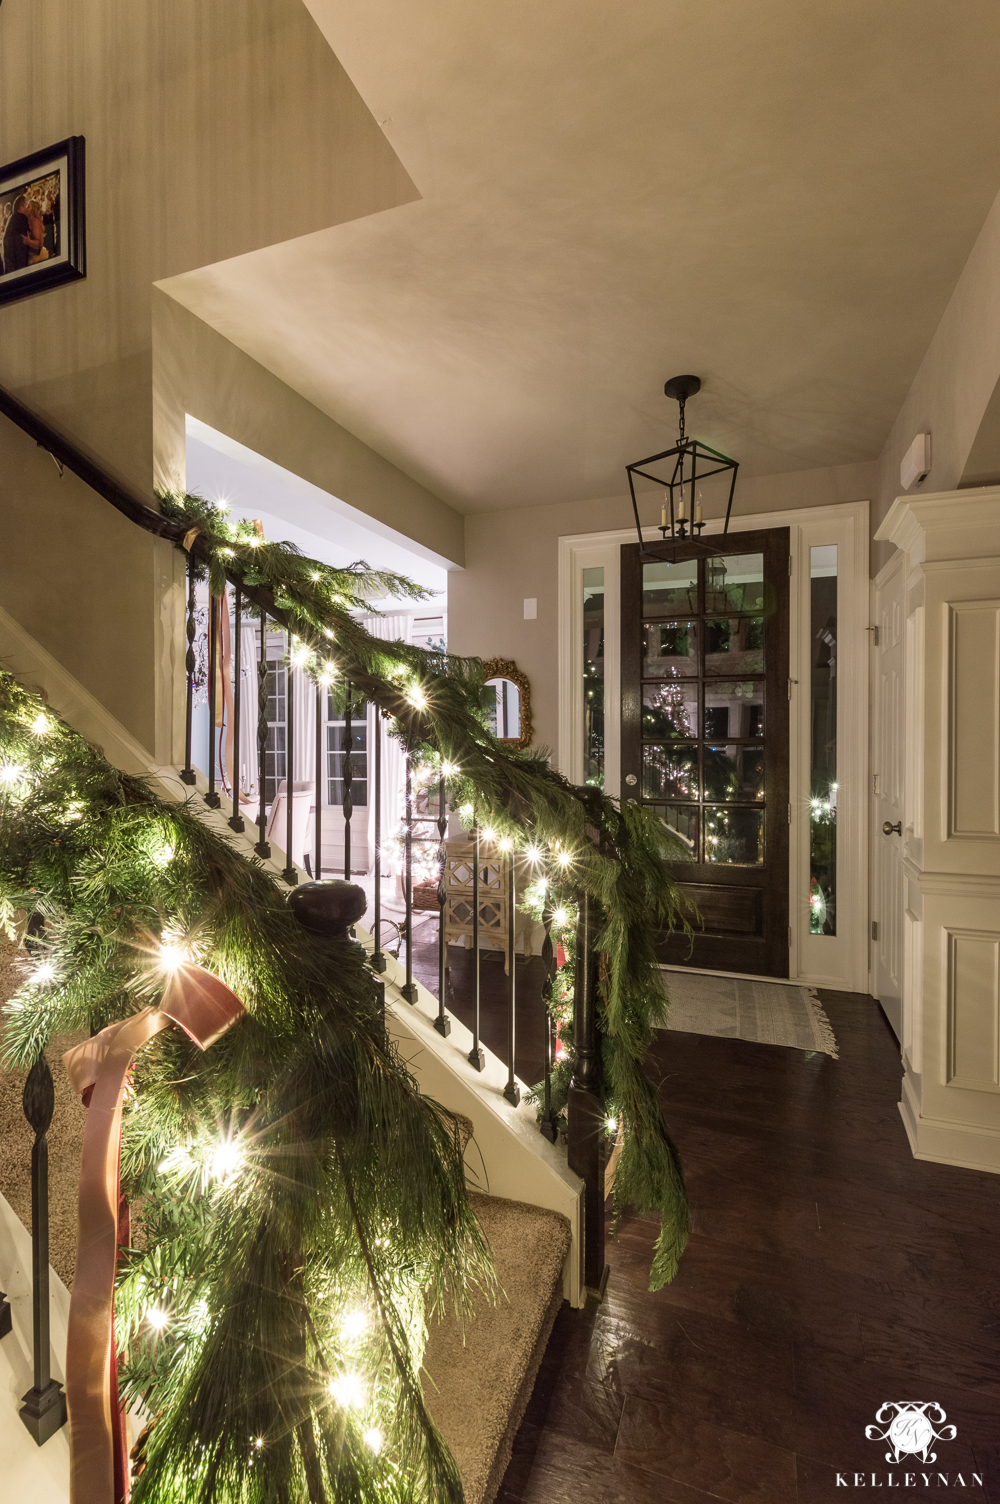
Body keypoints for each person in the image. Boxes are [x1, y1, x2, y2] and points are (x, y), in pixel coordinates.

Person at [1, 194, 31, 276]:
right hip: (17, 265)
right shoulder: (21, 218)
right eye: (26, 206)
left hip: (10, 265)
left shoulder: (13, 218)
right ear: (21, 208)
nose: (28, 209)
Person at [23, 197, 49, 264]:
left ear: (33, 210)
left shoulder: (35, 222)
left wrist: (29, 241)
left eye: (28, 206)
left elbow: (39, 243)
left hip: (36, 258)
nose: (26, 208)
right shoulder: (30, 221)